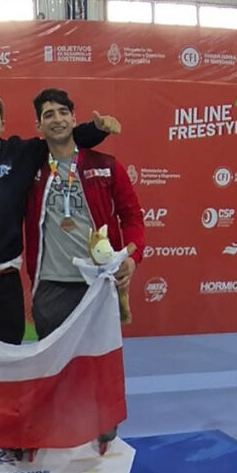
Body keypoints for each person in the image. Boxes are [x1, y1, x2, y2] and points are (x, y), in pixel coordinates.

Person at [0, 92, 121, 347]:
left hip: (6, 279)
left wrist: (98, 128)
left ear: (3, 124)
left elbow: (64, 137)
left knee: (10, 351)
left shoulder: (20, 154)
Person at [24, 88, 145, 453]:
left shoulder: (105, 165)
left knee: (100, 359)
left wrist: (132, 257)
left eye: (63, 112)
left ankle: (103, 419)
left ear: (74, 119)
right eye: (49, 114)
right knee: (52, 360)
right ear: (39, 125)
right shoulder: (30, 169)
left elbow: (133, 217)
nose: (57, 118)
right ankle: (53, 422)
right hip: (51, 284)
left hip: (98, 286)